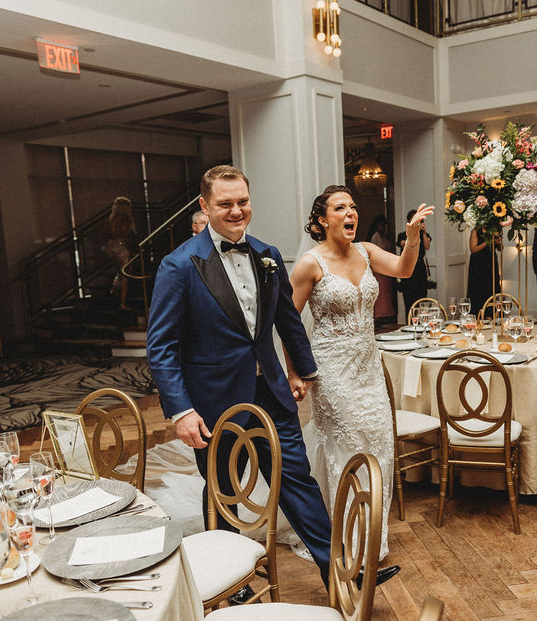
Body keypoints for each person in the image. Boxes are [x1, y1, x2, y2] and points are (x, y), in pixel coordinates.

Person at [147, 167, 398, 593]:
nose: (236, 210)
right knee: (224, 488)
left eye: (242, 201)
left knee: (297, 480)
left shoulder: (266, 254)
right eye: (225, 203)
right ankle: (228, 581)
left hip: (272, 393)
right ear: (205, 207)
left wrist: (303, 370)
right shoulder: (179, 265)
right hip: (215, 401)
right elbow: (162, 345)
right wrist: (181, 410)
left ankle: (339, 568)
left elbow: (287, 320)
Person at [291, 184, 435, 561]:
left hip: (369, 366)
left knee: (379, 447)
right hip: (332, 370)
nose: (350, 213)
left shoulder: (367, 252)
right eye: (340, 208)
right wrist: (295, 372)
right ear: (323, 220)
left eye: (353, 207)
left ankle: (372, 534)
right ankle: (346, 540)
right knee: (347, 448)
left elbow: (404, 269)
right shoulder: (310, 263)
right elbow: (288, 321)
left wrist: (412, 236)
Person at [397, 209, 432, 315]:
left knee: (421, 298)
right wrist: (412, 232)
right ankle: (410, 323)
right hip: (407, 267)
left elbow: (427, 247)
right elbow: (403, 244)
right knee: (408, 298)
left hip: (420, 268)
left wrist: (424, 232)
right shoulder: (403, 235)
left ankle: (422, 324)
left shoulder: (423, 234)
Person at [105, 197, 135, 311]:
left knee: (119, 271)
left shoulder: (112, 219)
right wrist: (130, 248)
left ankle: (113, 291)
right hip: (121, 246)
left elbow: (106, 233)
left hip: (110, 245)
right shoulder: (126, 219)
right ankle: (122, 303)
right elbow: (125, 235)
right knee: (125, 273)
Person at [367, 215, 396, 323]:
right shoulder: (375, 236)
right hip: (378, 268)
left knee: (386, 292)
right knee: (381, 292)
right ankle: (379, 315)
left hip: (386, 267)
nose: (383, 227)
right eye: (381, 225)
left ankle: (386, 315)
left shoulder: (384, 236)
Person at [467, 226, 502, 313]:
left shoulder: (493, 230)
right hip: (478, 264)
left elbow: (500, 248)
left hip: (491, 263)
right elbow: (473, 249)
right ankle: (478, 315)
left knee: (492, 288)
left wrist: (498, 241)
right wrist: (488, 242)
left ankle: (492, 314)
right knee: (478, 289)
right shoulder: (476, 231)